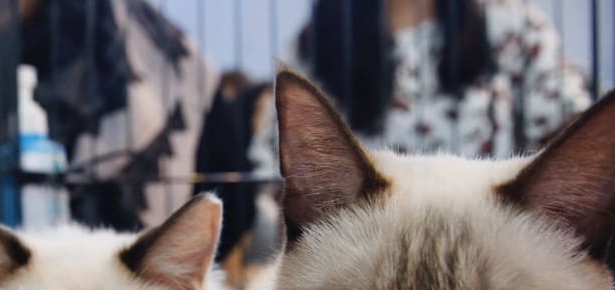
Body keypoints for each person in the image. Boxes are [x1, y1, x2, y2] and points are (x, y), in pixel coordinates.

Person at [249, 0, 592, 175]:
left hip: (493, 243)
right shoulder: (317, 42)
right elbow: (276, 163)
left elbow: (573, 127)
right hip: (359, 252)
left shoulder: (512, 25)